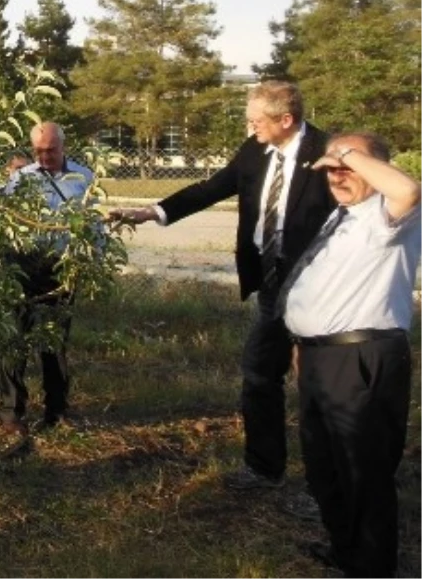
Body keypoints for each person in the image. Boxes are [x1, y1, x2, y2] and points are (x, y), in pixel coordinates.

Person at [110, 81, 334, 498]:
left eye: (256, 121)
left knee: (318, 387)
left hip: (318, 289)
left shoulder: (328, 152)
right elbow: (211, 188)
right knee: (259, 375)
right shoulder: (255, 151)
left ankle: (326, 485)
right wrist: (152, 211)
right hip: (271, 285)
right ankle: (265, 469)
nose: (250, 130)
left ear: (285, 120)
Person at [280, 133, 421, 576]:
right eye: (331, 167)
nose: (337, 174)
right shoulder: (344, 216)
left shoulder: (389, 213)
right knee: (324, 468)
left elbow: (409, 189)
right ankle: (347, 550)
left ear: (374, 167)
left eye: (348, 166)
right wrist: (304, 344)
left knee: (364, 473)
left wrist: (347, 153)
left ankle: (373, 567)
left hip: (362, 361)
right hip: (322, 360)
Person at [0, 122, 96, 437]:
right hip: (23, 267)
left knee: (54, 342)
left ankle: (56, 411)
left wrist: (90, 261)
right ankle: (12, 414)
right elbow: (2, 219)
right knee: (15, 340)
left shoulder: (83, 178)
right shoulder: (20, 180)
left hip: (61, 269)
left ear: (63, 147)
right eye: (38, 151)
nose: (44, 157)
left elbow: (95, 226)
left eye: (50, 150)